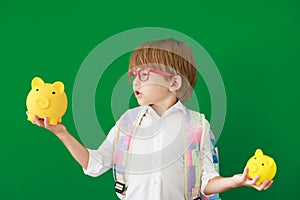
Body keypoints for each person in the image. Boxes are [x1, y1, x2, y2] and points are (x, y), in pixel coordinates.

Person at [29, 38, 273, 200]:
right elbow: (95, 165)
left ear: (174, 82)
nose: (136, 81)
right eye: (134, 75)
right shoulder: (127, 122)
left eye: (144, 74)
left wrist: (235, 181)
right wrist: (62, 132)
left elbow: (206, 182)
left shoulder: (197, 126)